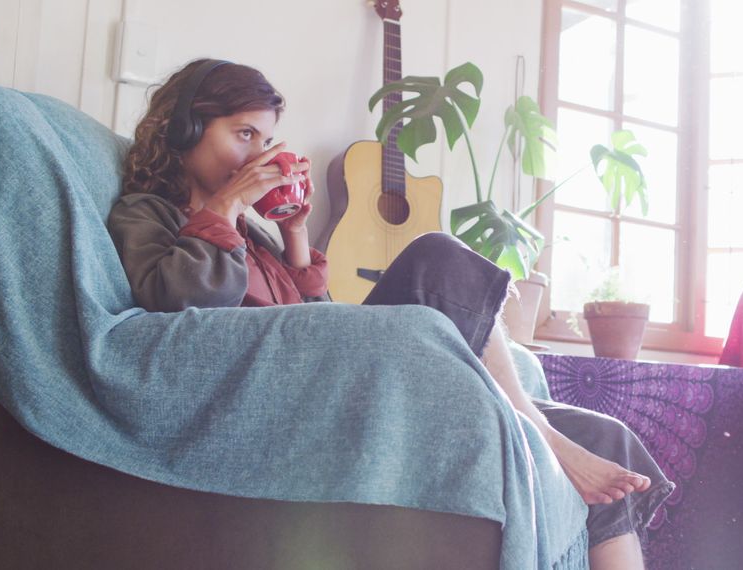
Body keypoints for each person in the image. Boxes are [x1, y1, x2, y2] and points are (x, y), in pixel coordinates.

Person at [107, 58, 675, 569]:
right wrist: (226, 206)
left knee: (605, 435)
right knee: (436, 255)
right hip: (291, 393)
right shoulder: (147, 213)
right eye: (245, 134)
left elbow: (314, 317)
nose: (260, 154)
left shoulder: (253, 235)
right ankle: (540, 431)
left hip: (330, 365)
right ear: (185, 129)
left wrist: (295, 231)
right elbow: (178, 302)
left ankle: (543, 430)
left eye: (268, 138)